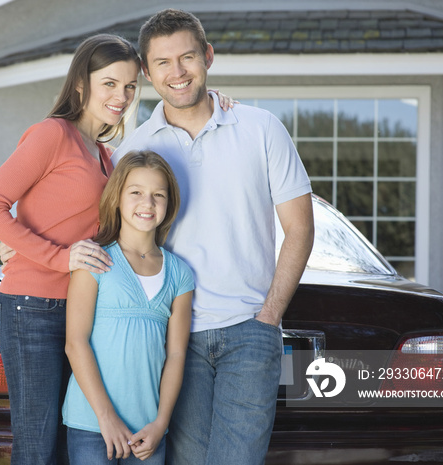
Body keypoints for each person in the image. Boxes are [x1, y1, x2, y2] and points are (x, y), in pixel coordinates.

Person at [111, 9, 315, 465]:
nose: (177, 72)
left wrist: (269, 317)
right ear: (146, 71)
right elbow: (116, 242)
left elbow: (300, 228)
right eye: (162, 62)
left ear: (208, 57)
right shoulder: (134, 150)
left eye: (187, 57)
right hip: (170, 336)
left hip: (249, 330)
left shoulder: (261, 129)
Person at [0, 34, 141, 465]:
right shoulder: (53, 134)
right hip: (33, 308)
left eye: (130, 86)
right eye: (109, 84)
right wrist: (56, 256)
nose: (121, 96)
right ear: (81, 84)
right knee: (38, 443)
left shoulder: (106, 155)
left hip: (81, 312)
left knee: (72, 443)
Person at [62, 150, 193, 465]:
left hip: (147, 430)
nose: (147, 203)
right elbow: (75, 343)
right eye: (136, 193)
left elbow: (176, 355)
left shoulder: (179, 273)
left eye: (158, 195)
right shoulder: (94, 261)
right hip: (92, 424)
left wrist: (161, 423)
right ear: (117, 198)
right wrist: (106, 418)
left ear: (169, 203)